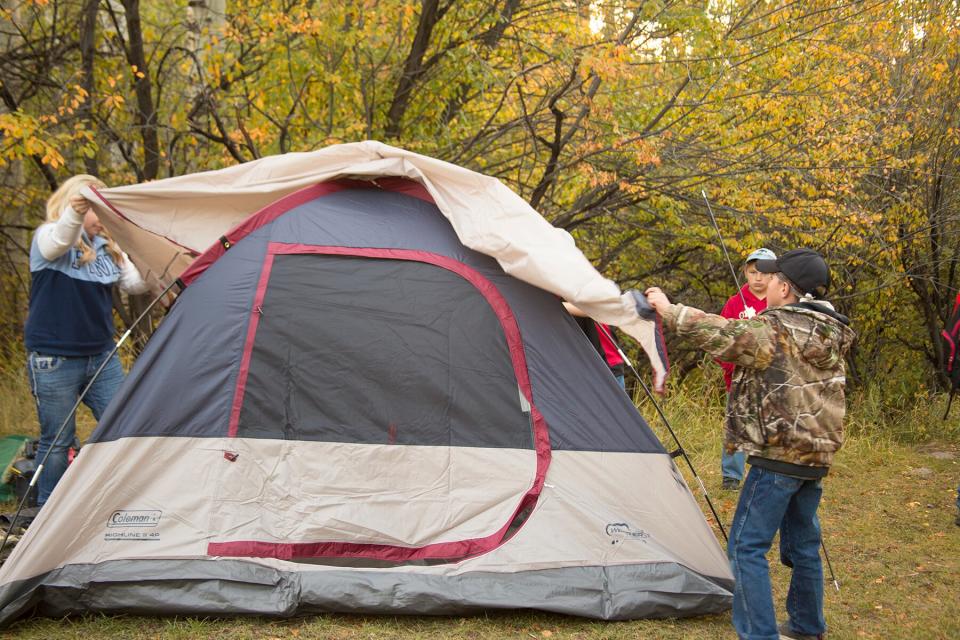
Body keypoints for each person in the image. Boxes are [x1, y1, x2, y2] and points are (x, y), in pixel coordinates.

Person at [645, 248, 855, 640]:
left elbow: (722, 333)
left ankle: (759, 634)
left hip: (778, 455)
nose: (766, 284)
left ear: (786, 288)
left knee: (746, 546)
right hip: (815, 456)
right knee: (804, 542)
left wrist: (669, 310)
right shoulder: (828, 328)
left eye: (773, 279)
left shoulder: (775, 328)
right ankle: (808, 627)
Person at [25, 175, 148, 507]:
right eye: (97, 208)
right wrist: (78, 211)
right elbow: (59, 242)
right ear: (78, 206)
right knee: (58, 440)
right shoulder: (48, 237)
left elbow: (136, 284)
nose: (102, 216)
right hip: (55, 359)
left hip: (101, 357)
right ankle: (48, 510)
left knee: (124, 422)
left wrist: (149, 243)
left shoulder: (106, 249)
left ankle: (119, 498)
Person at [717, 248, 777, 491]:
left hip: (771, 381)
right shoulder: (734, 304)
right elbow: (720, 338)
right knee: (737, 424)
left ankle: (765, 470)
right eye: (753, 272)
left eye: (764, 273)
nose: (758, 278)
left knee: (768, 426)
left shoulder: (778, 303)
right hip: (739, 379)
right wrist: (731, 365)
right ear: (745, 272)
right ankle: (731, 475)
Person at [563, 302, 627, 388]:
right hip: (581, 368)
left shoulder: (596, 291)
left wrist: (557, 306)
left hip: (607, 365)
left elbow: (593, 308)